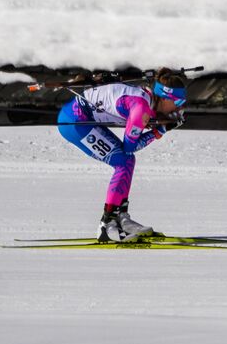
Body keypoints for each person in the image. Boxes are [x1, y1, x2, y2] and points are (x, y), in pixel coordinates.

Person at [56, 68, 188, 242]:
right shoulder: (141, 108)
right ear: (164, 98)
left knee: (126, 161)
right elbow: (130, 146)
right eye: (178, 103)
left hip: (78, 116)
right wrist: (159, 131)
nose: (180, 108)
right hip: (74, 122)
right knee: (124, 161)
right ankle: (106, 226)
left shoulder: (148, 99)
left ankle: (121, 218)